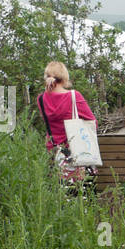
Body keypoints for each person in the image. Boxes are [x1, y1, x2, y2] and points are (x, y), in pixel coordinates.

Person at [37, 61, 97, 189]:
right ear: (64, 77)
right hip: (77, 153)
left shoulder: (41, 99)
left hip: (54, 153)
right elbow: (92, 123)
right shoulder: (74, 96)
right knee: (81, 194)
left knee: (59, 195)